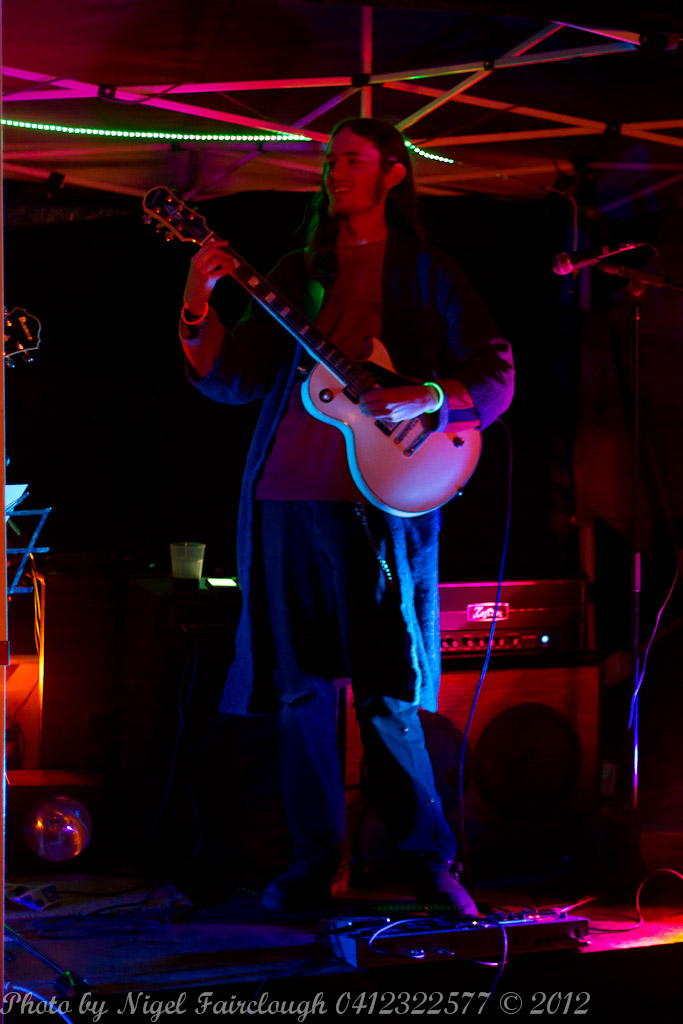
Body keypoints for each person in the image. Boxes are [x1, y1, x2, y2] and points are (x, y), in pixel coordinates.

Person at [179, 118, 514, 916]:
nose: (335, 172)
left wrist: (426, 395)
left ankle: (427, 863)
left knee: (386, 689)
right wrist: (197, 303)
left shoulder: (425, 271)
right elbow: (235, 379)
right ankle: (311, 864)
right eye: (330, 161)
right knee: (299, 692)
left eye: (353, 161)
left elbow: (495, 372)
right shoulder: (298, 271)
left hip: (375, 505)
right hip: (283, 498)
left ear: (393, 173)